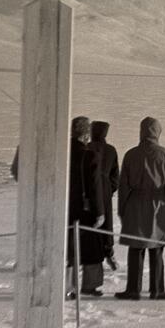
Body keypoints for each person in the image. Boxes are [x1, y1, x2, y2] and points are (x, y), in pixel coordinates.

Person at [115, 116, 165, 301]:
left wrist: (122, 210)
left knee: (136, 247)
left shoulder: (130, 155)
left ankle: (133, 289)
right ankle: (156, 289)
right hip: (159, 205)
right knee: (156, 248)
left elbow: (123, 186)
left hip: (135, 203)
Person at [67, 115, 108, 298]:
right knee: (91, 247)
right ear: (86, 135)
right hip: (86, 208)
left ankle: (68, 286)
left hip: (65, 206)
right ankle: (90, 285)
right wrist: (100, 212)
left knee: (69, 247)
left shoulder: (62, 152)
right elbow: (95, 186)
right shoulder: (90, 155)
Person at [90, 121, 120, 270]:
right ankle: (109, 254)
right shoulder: (111, 150)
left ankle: (89, 258)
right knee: (107, 225)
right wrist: (109, 189)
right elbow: (116, 177)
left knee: (89, 224)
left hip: (88, 190)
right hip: (106, 190)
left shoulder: (87, 148)